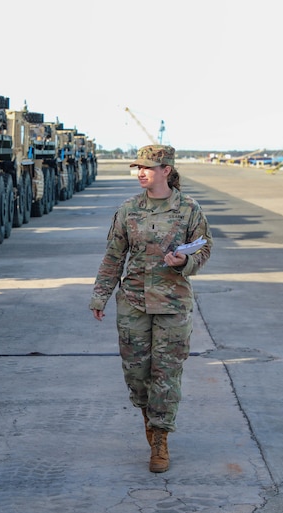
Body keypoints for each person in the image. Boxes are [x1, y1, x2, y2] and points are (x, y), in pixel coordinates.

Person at [89, 144, 212, 473]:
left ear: (166, 170)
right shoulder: (129, 209)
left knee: (166, 375)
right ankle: (149, 418)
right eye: (137, 167)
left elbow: (204, 249)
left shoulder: (189, 209)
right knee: (137, 375)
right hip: (133, 303)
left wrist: (186, 260)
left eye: (147, 167)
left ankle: (160, 438)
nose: (140, 172)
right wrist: (100, 295)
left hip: (173, 302)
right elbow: (113, 256)